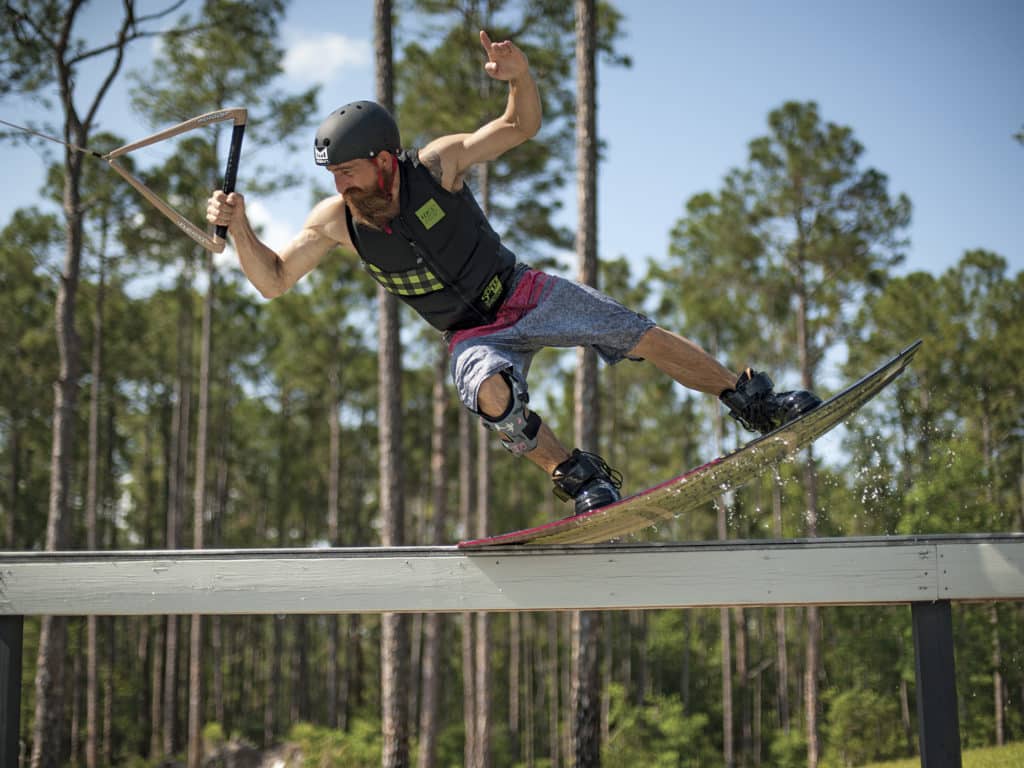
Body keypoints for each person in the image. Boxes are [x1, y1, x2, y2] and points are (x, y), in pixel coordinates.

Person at [207, 30, 820, 516]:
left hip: (523, 292)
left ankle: (749, 402)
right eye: (332, 176)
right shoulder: (336, 221)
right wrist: (240, 229)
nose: (340, 184)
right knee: (489, 395)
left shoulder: (437, 165)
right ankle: (578, 475)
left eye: (347, 172)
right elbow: (275, 279)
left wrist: (519, 77)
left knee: (638, 334)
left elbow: (517, 127)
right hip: (472, 336)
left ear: (384, 160)